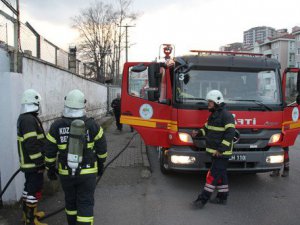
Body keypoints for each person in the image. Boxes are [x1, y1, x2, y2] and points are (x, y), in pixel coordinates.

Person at [45, 89, 107, 225]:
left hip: (66, 172)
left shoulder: (57, 126)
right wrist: (101, 163)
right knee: (85, 203)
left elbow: (49, 150)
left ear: (66, 103)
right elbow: (102, 147)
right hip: (88, 172)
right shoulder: (92, 124)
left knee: (71, 203)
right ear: (82, 105)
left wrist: (50, 168)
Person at [191, 90, 235, 209]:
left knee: (212, 176)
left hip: (222, 153)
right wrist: (198, 133)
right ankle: (222, 197)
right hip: (215, 152)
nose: (208, 104)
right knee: (221, 175)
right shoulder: (213, 115)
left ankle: (202, 200)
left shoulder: (227, 116)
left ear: (217, 102)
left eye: (210, 102)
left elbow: (230, 135)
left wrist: (220, 150)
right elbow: (206, 129)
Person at [17, 89, 47, 225]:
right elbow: (31, 144)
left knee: (29, 188)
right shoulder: (28, 119)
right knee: (33, 189)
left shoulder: (27, 118)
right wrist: (39, 162)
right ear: (33, 103)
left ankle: (28, 215)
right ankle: (30, 220)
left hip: (29, 163)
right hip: (33, 164)